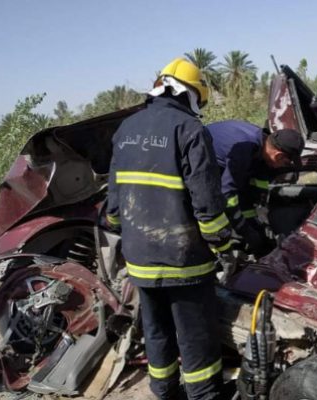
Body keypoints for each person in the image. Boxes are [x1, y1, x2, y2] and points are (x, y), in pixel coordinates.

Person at [106, 58, 232, 400]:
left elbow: (113, 206)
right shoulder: (190, 130)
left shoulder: (126, 129)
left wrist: (124, 232)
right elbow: (206, 203)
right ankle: (204, 395)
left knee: (156, 332)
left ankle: (163, 392)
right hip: (184, 261)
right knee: (195, 338)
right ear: (191, 94)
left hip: (140, 260)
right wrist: (223, 244)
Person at [205, 120, 304, 256]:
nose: (282, 167)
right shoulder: (244, 151)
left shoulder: (261, 144)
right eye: (285, 163)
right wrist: (244, 229)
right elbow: (227, 195)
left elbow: (248, 192)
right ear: (278, 155)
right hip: (187, 163)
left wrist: (257, 224)